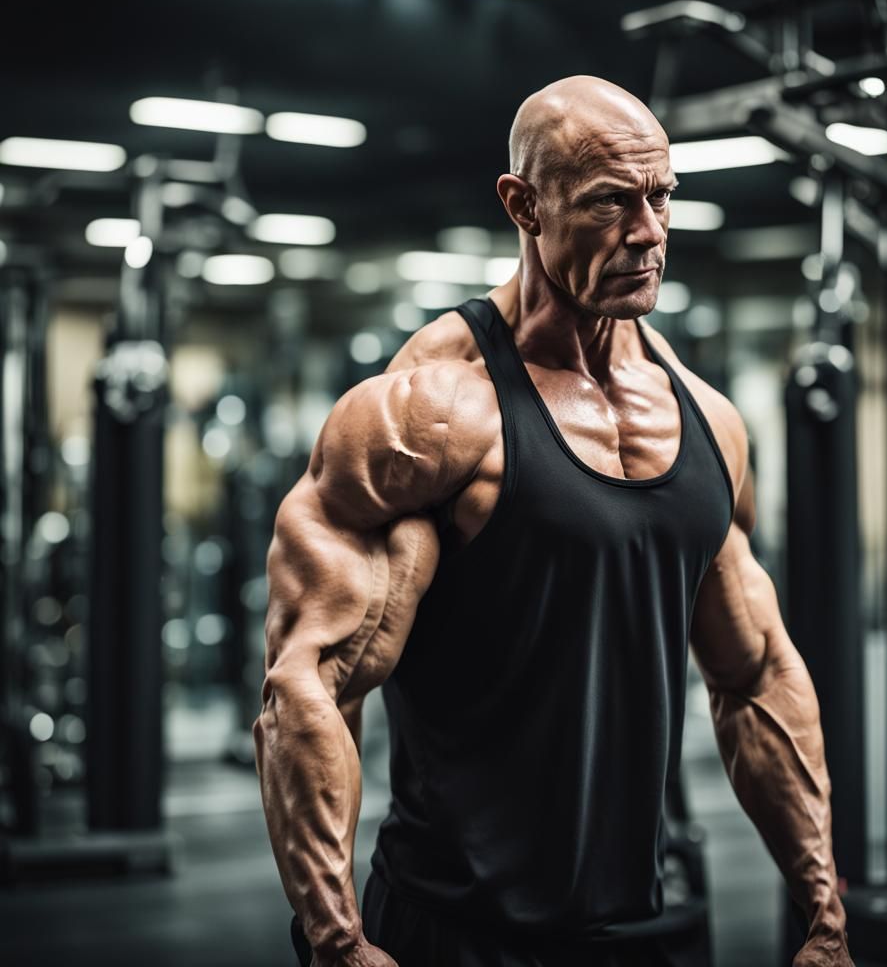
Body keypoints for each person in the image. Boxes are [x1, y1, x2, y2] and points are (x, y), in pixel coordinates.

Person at [253, 75, 854, 967]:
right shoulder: (433, 417)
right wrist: (337, 942)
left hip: (638, 926)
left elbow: (757, 674)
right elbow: (309, 684)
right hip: (452, 927)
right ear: (523, 205)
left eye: (661, 199)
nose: (649, 234)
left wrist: (823, 915)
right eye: (612, 202)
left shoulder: (707, 421)